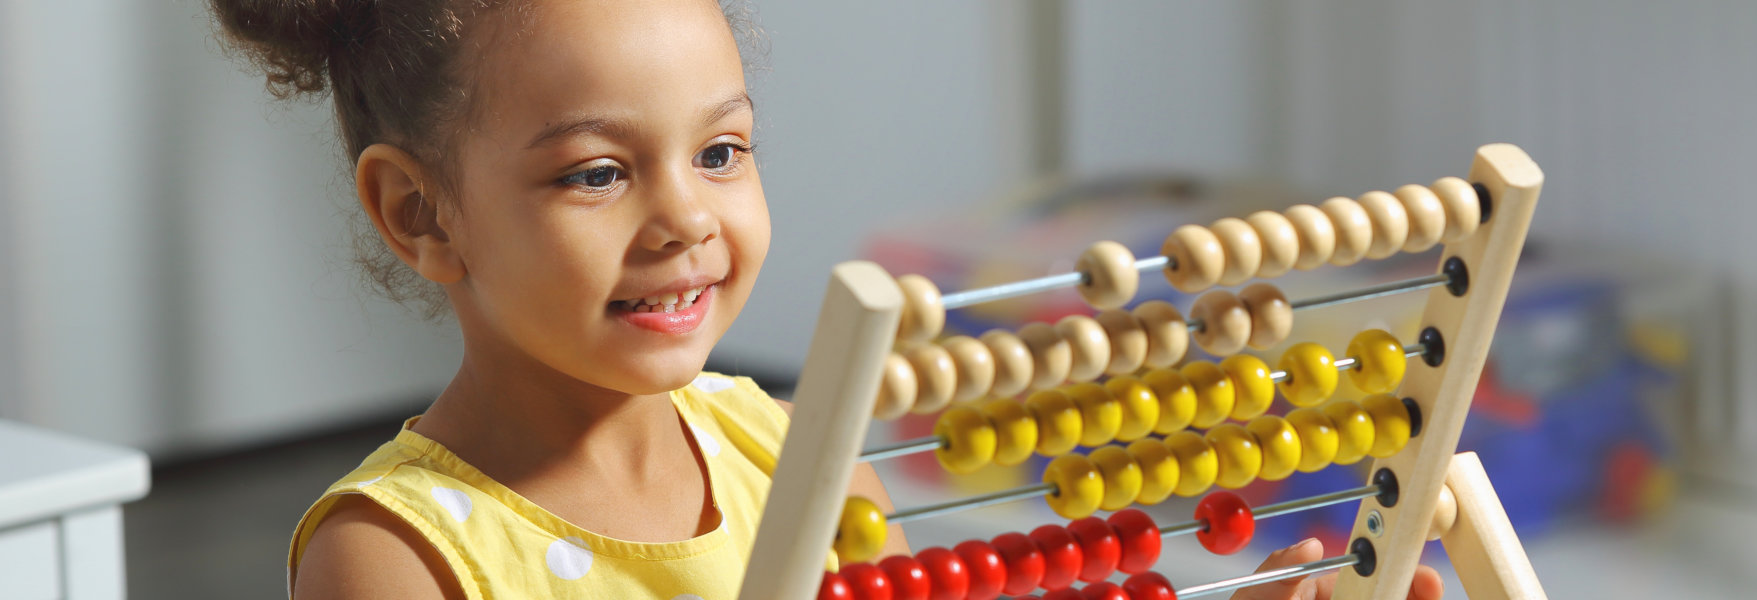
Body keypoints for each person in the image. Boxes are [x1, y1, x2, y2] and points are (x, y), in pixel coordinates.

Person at [209, 0, 1443, 598]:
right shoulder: (397, 557)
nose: (687, 218)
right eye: (597, 172)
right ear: (419, 213)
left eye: (723, 152)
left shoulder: (793, 452)